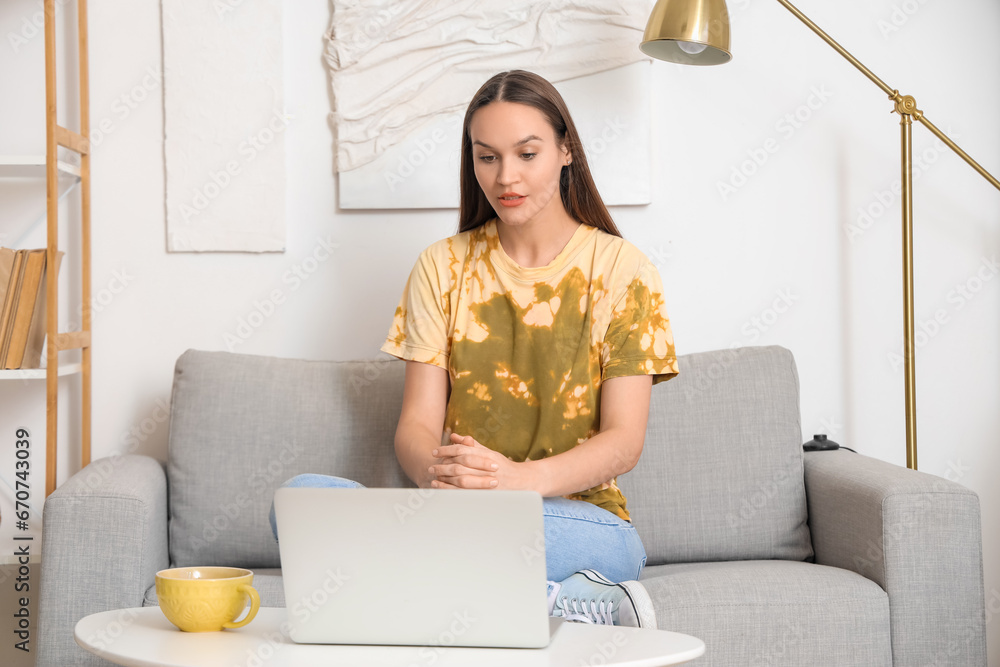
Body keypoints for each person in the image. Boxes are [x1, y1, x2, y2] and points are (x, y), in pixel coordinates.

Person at [269, 70, 679, 629]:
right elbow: (416, 427)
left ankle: (423, 584)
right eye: (487, 157)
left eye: (526, 154)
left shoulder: (624, 271)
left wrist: (514, 482)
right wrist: (445, 479)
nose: (505, 176)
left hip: (575, 521)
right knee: (299, 501)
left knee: (608, 548)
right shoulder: (441, 266)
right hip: (458, 511)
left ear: (566, 150)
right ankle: (549, 597)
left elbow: (623, 442)